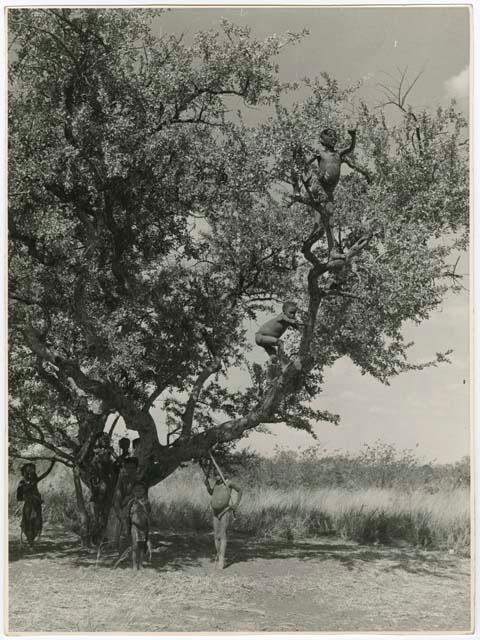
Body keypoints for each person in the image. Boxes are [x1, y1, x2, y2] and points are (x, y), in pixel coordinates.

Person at [204, 464, 242, 570]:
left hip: (225, 511)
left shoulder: (228, 483)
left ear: (223, 474)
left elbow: (240, 490)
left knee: (223, 535)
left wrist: (236, 504)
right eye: (215, 475)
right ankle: (218, 554)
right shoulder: (217, 484)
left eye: (218, 475)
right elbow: (212, 493)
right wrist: (207, 486)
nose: (216, 477)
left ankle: (221, 559)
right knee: (216, 535)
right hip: (215, 512)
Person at [17, 461, 55, 548]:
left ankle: (31, 542)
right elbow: (19, 497)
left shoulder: (33, 481)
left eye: (32, 471)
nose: (31, 473)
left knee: (36, 522)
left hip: (36, 505)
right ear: (25, 473)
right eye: (29, 472)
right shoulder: (22, 483)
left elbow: (45, 474)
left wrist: (52, 464)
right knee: (28, 522)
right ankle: (31, 543)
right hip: (30, 505)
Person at [114, 457, 140, 550]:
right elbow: (117, 498)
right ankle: (122, 552)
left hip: (136, 509)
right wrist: (120, 512)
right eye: (127, 468)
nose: (130, 471)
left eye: (132, 468)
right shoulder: (122, 480)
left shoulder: (139, 480)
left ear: (137, 469)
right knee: (124, 530)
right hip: (124, 510)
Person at [127, 481, 151, 570]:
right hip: (134, 527)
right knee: (134, 546)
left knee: (142, 547)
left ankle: (140, 565)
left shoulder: (146, 502)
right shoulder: (131, 502)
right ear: (133, 491)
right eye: (136, 490)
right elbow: (127, 515)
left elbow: (148, 512)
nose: (138, 492)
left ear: (144, 491)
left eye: (140, 490)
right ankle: (134, 565)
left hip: (143, 528)